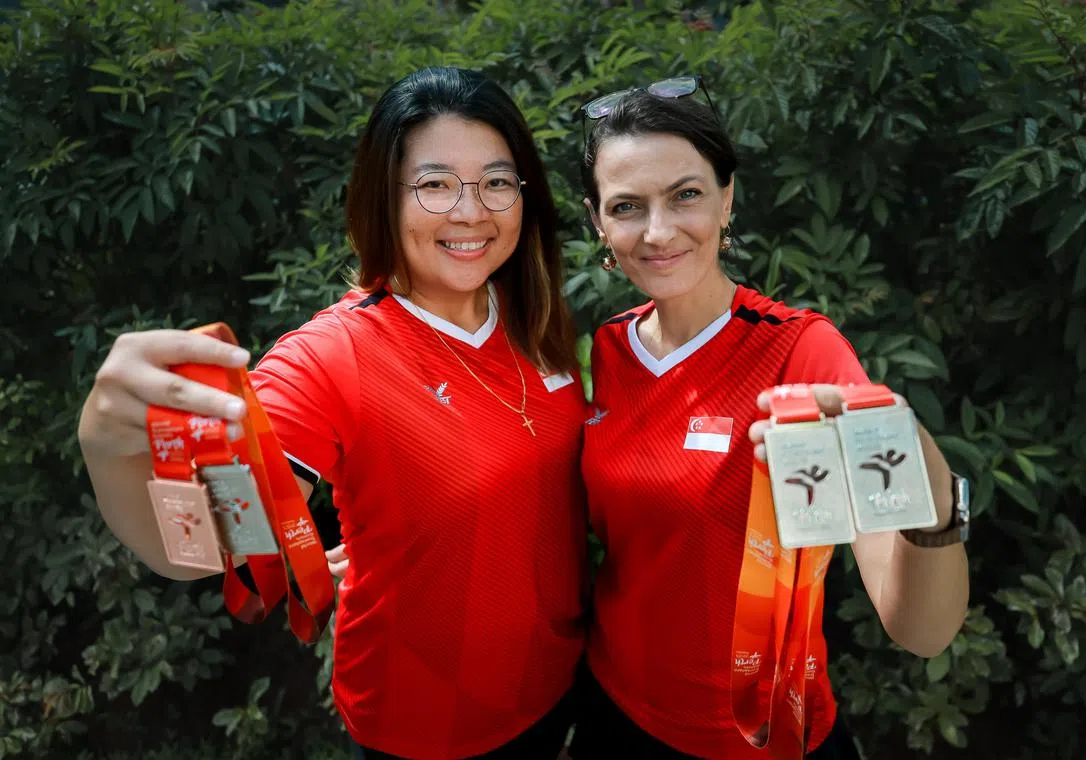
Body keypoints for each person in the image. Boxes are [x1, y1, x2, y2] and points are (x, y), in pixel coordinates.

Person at [77, 67, 589, 760]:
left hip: (554, 692)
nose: (472, 211)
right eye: (434, 184)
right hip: (422, 723)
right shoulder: (330, 356)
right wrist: (109, 448)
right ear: (382, 197)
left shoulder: (534, 315)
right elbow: (202, 549)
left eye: (497, 182)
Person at [568, 79, 970, 759]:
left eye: (686, 194)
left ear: (727, 199)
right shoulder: (608, 348)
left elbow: (921, 631)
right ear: (598, 223)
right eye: (628, 206)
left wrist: (921, 479)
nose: (659, 231)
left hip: (766, 733)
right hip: (615, 714)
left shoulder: (800, 351)